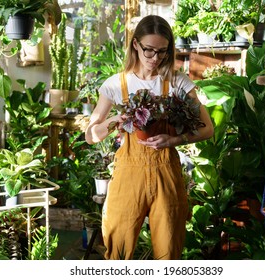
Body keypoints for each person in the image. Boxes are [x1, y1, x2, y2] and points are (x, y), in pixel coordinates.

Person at [85, 14, 214, 260]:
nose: (156, 58)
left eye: (162, 52)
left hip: (166, 172)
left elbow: (207, 128)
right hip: (128, 174)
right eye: (149, 50)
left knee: (168, 252)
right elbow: (91, 135)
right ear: (136, 44)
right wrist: (116, 121)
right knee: (118, 250)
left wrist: (174, 140)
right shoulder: (115, 85)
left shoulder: (177, 82)